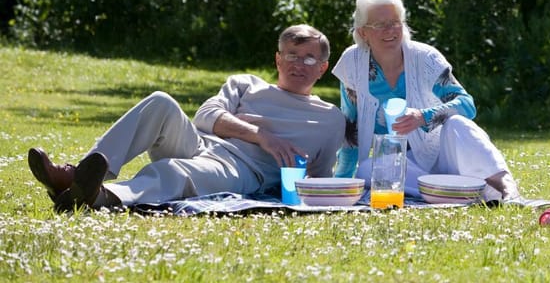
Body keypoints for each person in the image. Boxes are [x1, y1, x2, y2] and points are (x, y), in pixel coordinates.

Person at [28, 24, 346, 212]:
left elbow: (317, 179)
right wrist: (261, 135)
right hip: (202, 142)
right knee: (160, 102)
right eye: (291, 54)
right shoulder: (246, 83)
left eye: (309, 58)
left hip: (243, 170)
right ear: (278, 59)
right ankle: (75, 177)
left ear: (322, 68)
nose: (298, 64)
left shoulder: (329, 119)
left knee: (174, 170)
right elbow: (206, 116)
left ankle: (101, 198)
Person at [332, 0, 521, 204]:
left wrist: (423, 117)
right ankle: (456, 193)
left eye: (395, 22)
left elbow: (467, 104)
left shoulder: (425, 58)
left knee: (459, 124)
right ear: (363, 31)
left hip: (440, 153)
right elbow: (350, 132)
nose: (390, 30)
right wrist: (341, 186)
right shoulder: (352, 63)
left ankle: (508, 188)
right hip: (405, 166)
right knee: (367, 169)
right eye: (379, 24)